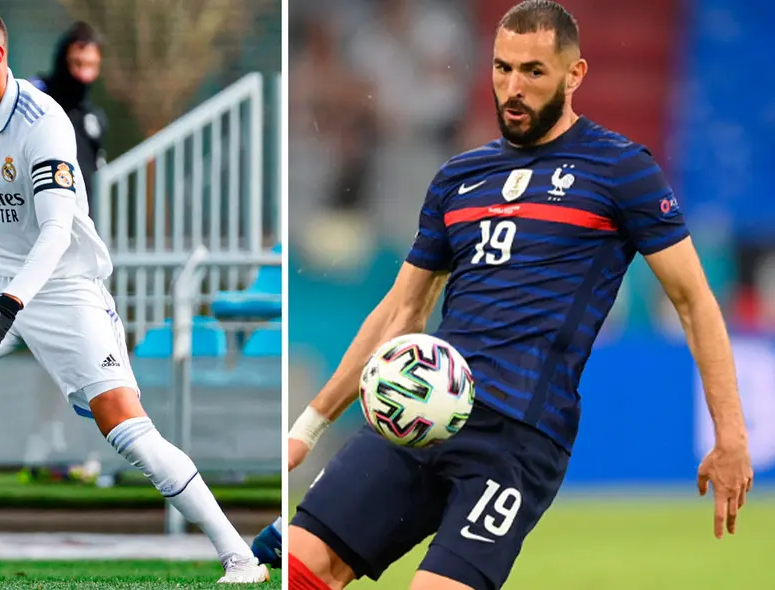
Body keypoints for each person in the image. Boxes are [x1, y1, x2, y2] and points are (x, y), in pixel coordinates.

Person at [285, 2, 753, 589]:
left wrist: (731, 435)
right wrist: (307, 427)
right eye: (503, 68)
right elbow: (402, 309)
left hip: (516, 441)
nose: (513, 86)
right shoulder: (459, 176)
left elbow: (695, 303)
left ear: (574, 75)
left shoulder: (620, 170)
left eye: (533, 71)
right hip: (421, 414)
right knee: (299, 566)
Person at [0, 4, 268, 584]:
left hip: (63, 287)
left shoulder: (44, 122)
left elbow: (57, 233)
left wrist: (7, 308)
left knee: (131, 434)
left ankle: (241, 557)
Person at [30, 22, 108, 205]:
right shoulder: (36, 97)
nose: (83, 75)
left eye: (91, 65)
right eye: (77, 63)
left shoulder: (94, 118)